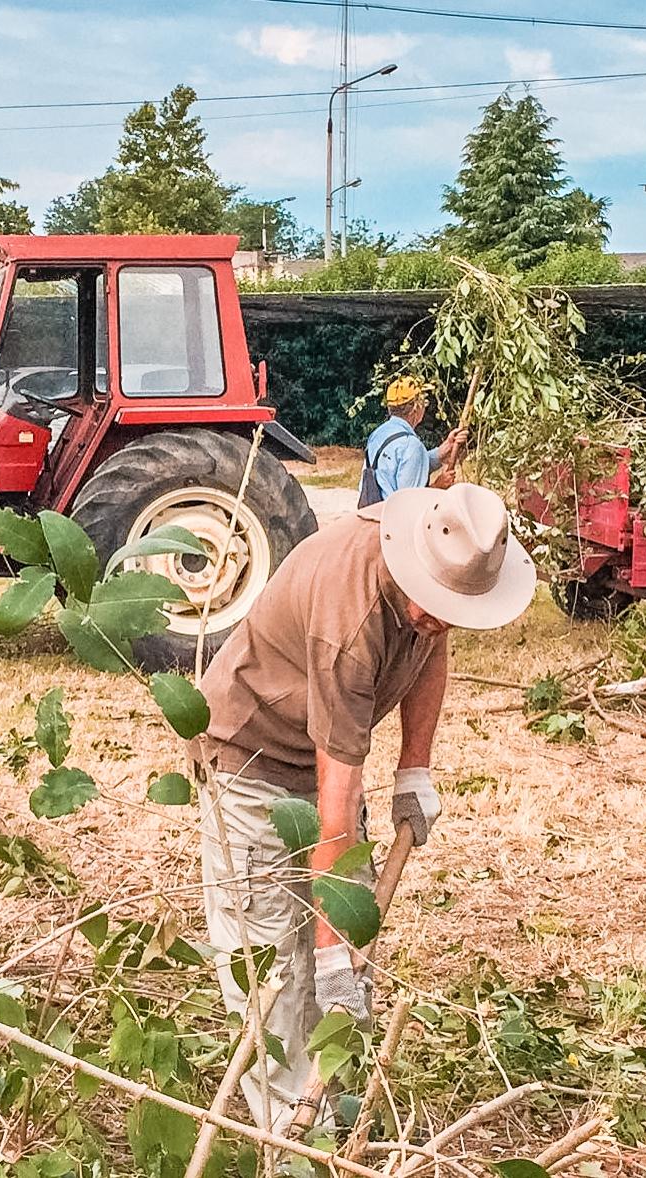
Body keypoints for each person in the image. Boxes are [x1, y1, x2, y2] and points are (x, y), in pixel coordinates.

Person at [191, 483, 535, 1132]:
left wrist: (415, 767)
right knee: (278, 963)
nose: (435, 617)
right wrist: (327, 955)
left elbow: (431, 644)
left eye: (450, 606)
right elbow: (336, 814)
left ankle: (334, 1102)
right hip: (251, 756)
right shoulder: (347, 629)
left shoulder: (436, 556)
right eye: (431, 604)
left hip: (315, 752)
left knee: (348, 951)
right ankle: (292, 1142)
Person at [358, 376, 470, 507]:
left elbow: (404, 467)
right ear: (416, 408)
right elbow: (411, 504)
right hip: (394, 521)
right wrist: (438, 486)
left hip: (373, 512)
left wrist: (444, 449)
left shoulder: (378, 434)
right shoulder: (411, 446)